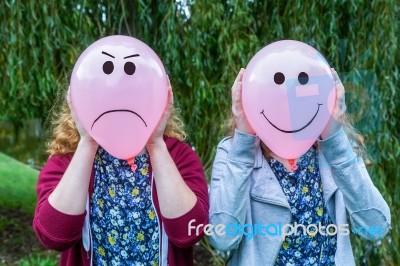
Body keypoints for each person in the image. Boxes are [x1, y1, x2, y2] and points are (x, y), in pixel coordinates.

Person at [208, 68, 391, 265]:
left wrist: (336, 143)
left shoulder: (336, 148)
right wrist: (243, 144)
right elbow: (222, 239)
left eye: (298, 94)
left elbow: (376, 227)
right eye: (276, 96)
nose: (287, 104)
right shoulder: (233, 151)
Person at [33, 80, 209, 266]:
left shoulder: (177, 156)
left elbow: (190, 232)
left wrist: (155, 144)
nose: (120, 104)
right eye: (108, 96)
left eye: (131, 95)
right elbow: (54, 236)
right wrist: (87, 142)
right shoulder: (68, 160)